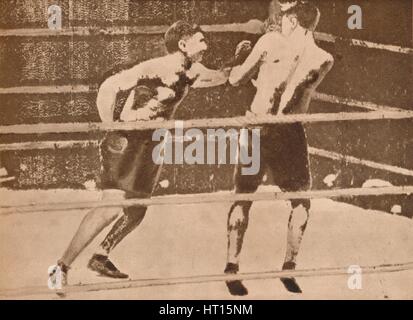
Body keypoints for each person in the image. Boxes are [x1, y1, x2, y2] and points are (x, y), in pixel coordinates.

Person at [53, 21, 233, 288]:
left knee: (137, 207)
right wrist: (110, 125)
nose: (206, 45)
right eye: (200, 40)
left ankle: (101, 256)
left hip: (152, 144)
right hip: (128, 139)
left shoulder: (193, 71)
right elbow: (109, 87)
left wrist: (241, 58)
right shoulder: (158, 67)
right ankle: (60, 267)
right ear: (183, 45)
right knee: (111, 206)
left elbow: (222, 77)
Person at [224, 1, 334, 296]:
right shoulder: (324, 58)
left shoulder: (270, 42)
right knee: (301, 202)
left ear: (295, 21)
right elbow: (292, 90)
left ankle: (231, 266)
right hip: (290, 132)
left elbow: (236, 79)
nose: (279, 23)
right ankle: (289, 267)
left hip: (257, 126)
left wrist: (244, 56)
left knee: (242, 197)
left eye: (284, 19)